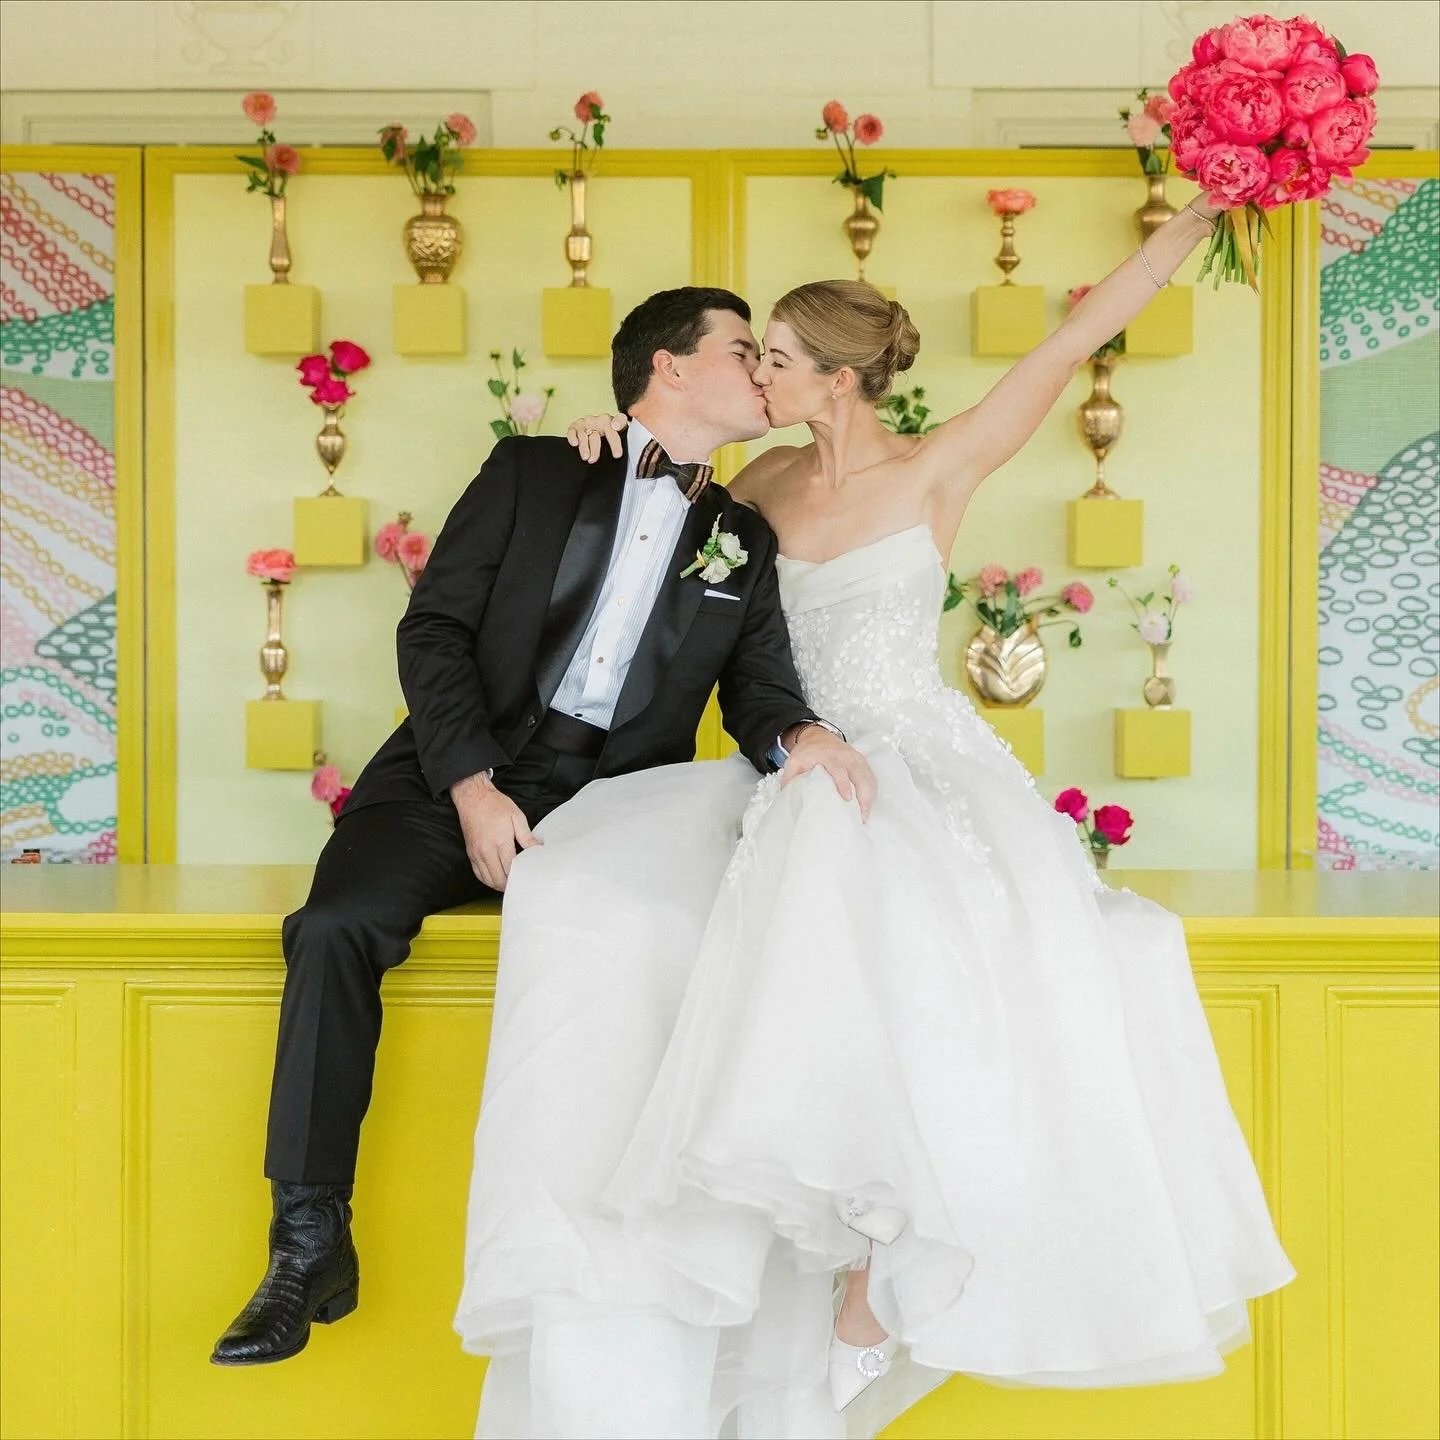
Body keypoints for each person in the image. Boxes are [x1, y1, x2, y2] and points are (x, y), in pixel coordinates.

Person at [457, 199, 1294, 1438]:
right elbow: (651, 514)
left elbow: (1073, 342)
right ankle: (808, 1258)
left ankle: (877, 1272)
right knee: (722, 895)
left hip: (914, 751)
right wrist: (605, 437)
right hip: (792, 751)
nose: (755, 374)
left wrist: (1202, 213)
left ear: (836, 379)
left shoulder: (937, 463)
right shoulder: (758, 478)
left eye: (775, 360)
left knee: (926, 913)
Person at [210, 286, 873, 1369]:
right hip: (448, 775)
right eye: (743, 350)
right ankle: (306, 1238)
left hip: (612, 812)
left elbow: (757, 688)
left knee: (647, 955)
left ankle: (627, 1265)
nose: (763, 372)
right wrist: (470, 784)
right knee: (334, 925)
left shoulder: (742, 536)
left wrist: (803, 737)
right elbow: (433, 631)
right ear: (669, 366)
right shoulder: (535, 470)